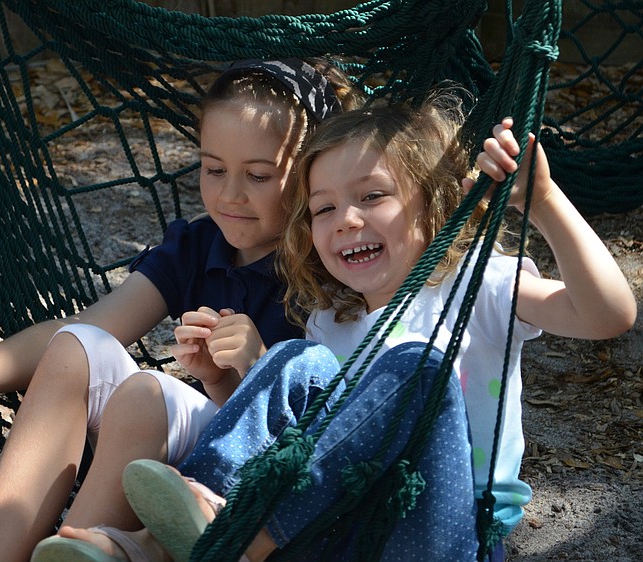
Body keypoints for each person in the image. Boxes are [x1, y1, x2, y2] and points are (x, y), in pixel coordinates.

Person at [0, 58, 361, 562]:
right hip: (174, 468)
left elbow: (334, 428)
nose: (230, 194)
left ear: (309, 176)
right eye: (213, 169)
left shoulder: (332, 266)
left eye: (258, 175)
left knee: (147, 392)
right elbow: (86, 328)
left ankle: (76, 550)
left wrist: (255, 367)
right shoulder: (197, 247)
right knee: (78, 345)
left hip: (260, 488)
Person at [115, 98, 637, 561]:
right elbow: (308, 444)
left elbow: (607, 314)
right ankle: (168, 538)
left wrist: (542, 201)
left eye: (371, 197)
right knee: (294, 359)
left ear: (435, 205)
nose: (345, 219)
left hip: (441, 527)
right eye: (324, 208)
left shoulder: (478, 287)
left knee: (416, 366)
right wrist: (225, 379)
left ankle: (240, 538)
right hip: (333, 529)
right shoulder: (327, 323)